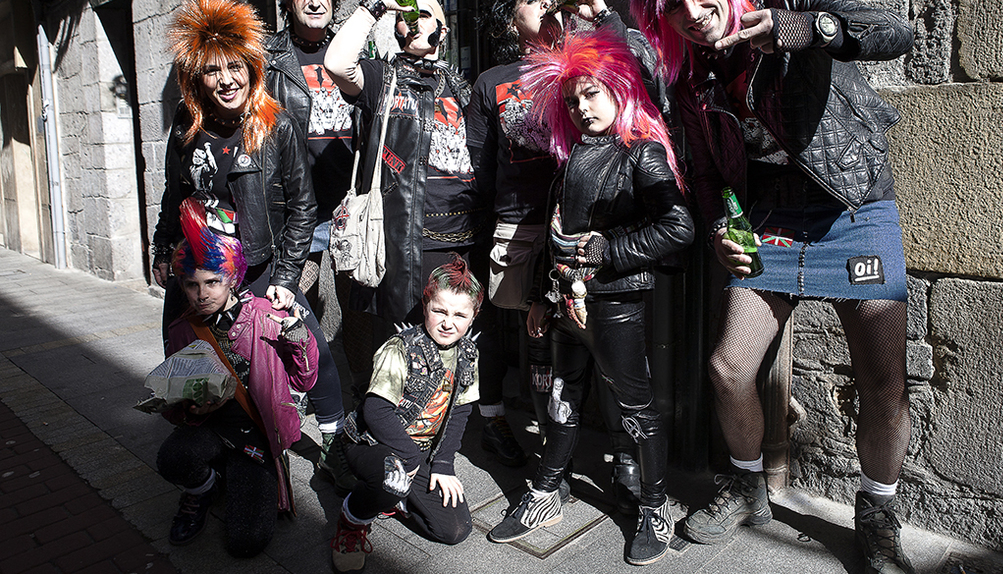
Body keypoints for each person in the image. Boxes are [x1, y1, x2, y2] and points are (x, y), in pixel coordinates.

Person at [617, 0, 916, 574]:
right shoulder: (691, 77)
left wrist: (804, 29)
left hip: (854, 206)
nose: (693, 12)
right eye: (674, 7)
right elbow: (701, 173)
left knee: (883, 379)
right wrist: (719, 228)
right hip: (773, 218)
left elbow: (893, 31)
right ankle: (748, 486)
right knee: (728, 368)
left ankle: (877, 510)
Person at [487, 29, 694, 566]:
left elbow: (678, 227)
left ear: (619, 89)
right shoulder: (572, 156)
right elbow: (555, 231)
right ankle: (545, 493)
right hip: (565, 307)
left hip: (616, 305)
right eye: (573, 100)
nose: (581, 108)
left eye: (592, 94)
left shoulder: (641, 153)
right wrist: (541, 296)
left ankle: (654, 508)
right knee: (561, 399)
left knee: (636, 409)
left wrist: (610, 249)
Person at [469, 0, 660, 508]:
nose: (548, 4)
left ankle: (625, 459)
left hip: (594, 230)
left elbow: (640, 72)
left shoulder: (586, 62)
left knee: (611, 353)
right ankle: (549, 458)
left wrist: (602, 16)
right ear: (510, 19)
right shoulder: (493, 82)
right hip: (522, 226)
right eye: (532, 0)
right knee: (541, 351)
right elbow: (480, 167)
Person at [151, 0, 355, 493]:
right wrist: (161, 250)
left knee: (311, 347)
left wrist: (286, 277)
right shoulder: (187, 127)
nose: (227, 80)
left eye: (235, 67)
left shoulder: (276, 125)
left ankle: (333, 442)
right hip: (198, 269)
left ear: (251, 68)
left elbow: (304, 207)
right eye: (212, 71)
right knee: (187, 357)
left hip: (260, 267)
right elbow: (174, 193)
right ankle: (208, 449)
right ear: (196, 78)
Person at [156, 197, 319, 557]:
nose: (202, 295)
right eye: (191, 285)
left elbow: (304, 381)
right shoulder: (182, 329)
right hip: (211, 430)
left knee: (246, 542)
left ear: (232, 278)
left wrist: (300, 339)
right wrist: (189, 410)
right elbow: (173, 401)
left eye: (212, 282)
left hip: (255, 437)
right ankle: (204, 488)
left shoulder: (264, 316)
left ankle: (248, 475)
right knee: (172, 458)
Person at [323, 0, 486, 336]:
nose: (413, 20)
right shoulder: (382, 80)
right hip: (414, 240)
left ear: (443, 30)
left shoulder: (460, 86)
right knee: (413, 340)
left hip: (467, 237)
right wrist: (376, 5)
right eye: (406, 16)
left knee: (462, 341)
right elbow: (336, 63)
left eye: (424, 15)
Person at [262, 0, 371, 395]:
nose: (314, 1)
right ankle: (300, 384)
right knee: (293, 302)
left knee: (356, 307)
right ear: (288, 1)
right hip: (299, 209)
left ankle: (362, 391)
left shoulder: (352, 52)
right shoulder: (270, 58)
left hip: (348, 205)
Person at [330, 255, 482, 573]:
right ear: (426, 306)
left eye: (459, 315)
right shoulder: (400, 348)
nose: (448, 323)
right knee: (392, 478)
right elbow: (376, 411)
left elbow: (460, 410)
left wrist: (443, 464)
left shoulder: (468, 353)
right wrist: (410, 459)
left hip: (418, 451)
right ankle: (353, 519)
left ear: (473, 317)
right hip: (371, 442)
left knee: (454, 530)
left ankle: (394, 498)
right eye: (439, 311)